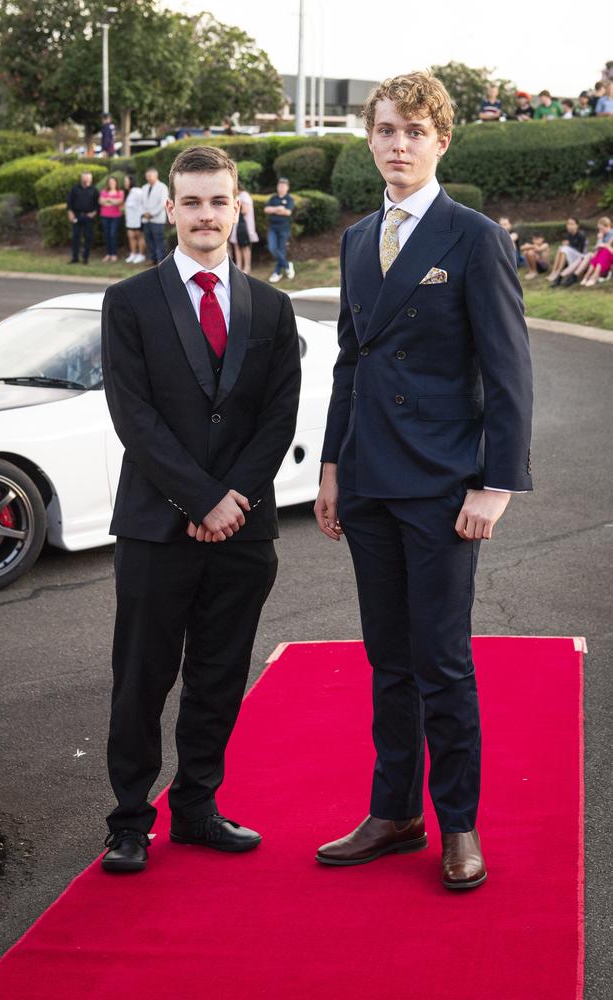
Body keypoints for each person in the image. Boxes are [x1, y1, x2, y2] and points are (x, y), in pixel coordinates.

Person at [313, 71, 533, 890]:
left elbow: (510, 376)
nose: (397, 144)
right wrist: (334, 467)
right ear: (369, 139)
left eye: (413, 131)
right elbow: (349, 361)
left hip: (443, 485)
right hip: (368, 479)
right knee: (388, 658)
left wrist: (495, 486)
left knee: (442, 661)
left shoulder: (474, 237)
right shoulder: (356, 236)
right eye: (384, 130)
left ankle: (460, 825)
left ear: (442, 140)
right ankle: (395, 810)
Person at [100, 144, 301, 873]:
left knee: (219, 677)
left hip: (244, 533)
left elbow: (278, 418)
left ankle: (196, 807)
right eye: (192, 202)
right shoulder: (128, 302)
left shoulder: (272, 309)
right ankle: (129, 820)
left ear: (237, 205)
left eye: (219, 201)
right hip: (157, 527)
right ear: (170, 209)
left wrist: (232, 502)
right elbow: (134, 417)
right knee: (143, 678)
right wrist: (200, 498)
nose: (206, 214)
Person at [264, 177, 295, 283]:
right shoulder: (273, 198)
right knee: (272, 248)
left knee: (281, 250)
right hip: (272, 227)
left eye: (283, 186)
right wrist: (278, 209)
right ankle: (287, 265)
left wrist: (275, 210)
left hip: (284, 228)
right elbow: (266, 209)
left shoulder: (289, 199)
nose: (281, 188)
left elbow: (288, 212)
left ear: (287, 187)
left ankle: (277, 272)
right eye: (279, 186)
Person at [66, 171, 99, 264]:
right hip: (76, 216)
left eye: (88, 178)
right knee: (75, 237)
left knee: (88, 237)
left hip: (88, 217)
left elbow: (97, 204)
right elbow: (69, 201)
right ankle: (75, 258)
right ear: (81, 178)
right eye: (85, 178)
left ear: (91, 179)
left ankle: (85, 258)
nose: (86, 180)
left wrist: (94, 213)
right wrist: (70, 212)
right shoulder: (75, 188)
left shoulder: (94, 190)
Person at [141, 167, 169, 265]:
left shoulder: (162, 187)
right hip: (146, 219)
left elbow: (163, 203)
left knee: (159, 241)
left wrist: (151, 214)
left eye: (150, 176)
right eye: (147, 176)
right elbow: (141, 202)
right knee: (149, 240)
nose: (148, 178)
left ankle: (161, 261)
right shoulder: (144, 187)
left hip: (157, 220)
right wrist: (144, 213)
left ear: (156, 176)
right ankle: (153, 260)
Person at [547, 217, 587, 286]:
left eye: (572, 224)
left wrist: (569, 245)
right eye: (568, 224)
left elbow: (581, 250)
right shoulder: (568, 234)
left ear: (577, 225)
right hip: (570, 253)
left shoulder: (581, 235)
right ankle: (554, 271)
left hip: (579, 257)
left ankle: (559, 272)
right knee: (561, 248)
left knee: (564, 249)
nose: (570, 226)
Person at [229, 182, 259, 274]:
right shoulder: (238, 196)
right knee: (236, 246)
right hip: (237, 225)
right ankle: (238, 267)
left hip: (244, 225)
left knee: (245, 247)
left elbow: (245, 210)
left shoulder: (244, 195)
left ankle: (247, 267)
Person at [578, 217, 613, 285]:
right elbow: (597, 248)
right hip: (604, 256)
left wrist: (601, 242)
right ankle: (586, 277)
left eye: (602, 229)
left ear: (608, 226)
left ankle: (593, 277)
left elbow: (608, 247)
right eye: (599, 229)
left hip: (609, 254)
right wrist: (600, 239)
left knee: (604, 252)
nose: (600, 231)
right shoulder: (603, 235)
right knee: (598, 254)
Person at [99, 175, 124, 262]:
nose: (111, 184)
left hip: (115, 216)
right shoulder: (104, 191)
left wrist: (108, 200)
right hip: (105, 216)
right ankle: (108, 254)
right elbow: (101, 202)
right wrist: (113, 201)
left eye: (113, 182)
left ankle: (114, 254)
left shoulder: (120, 192)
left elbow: (119, 202)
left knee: (113, 235)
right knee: (107, 235)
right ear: (108, 183)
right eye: (110, 182)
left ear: (116, 183)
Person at [123, 172, 146, 264]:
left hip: (138, 219)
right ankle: (133, 254)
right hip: (130, 220)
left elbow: (144, 202)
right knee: (131, 236)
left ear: (131, 181)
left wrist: (143, 214)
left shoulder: (138, 191)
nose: (124, 183)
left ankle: (141, 255)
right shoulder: (128, 192)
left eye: (126, 181)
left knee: (139, 237)